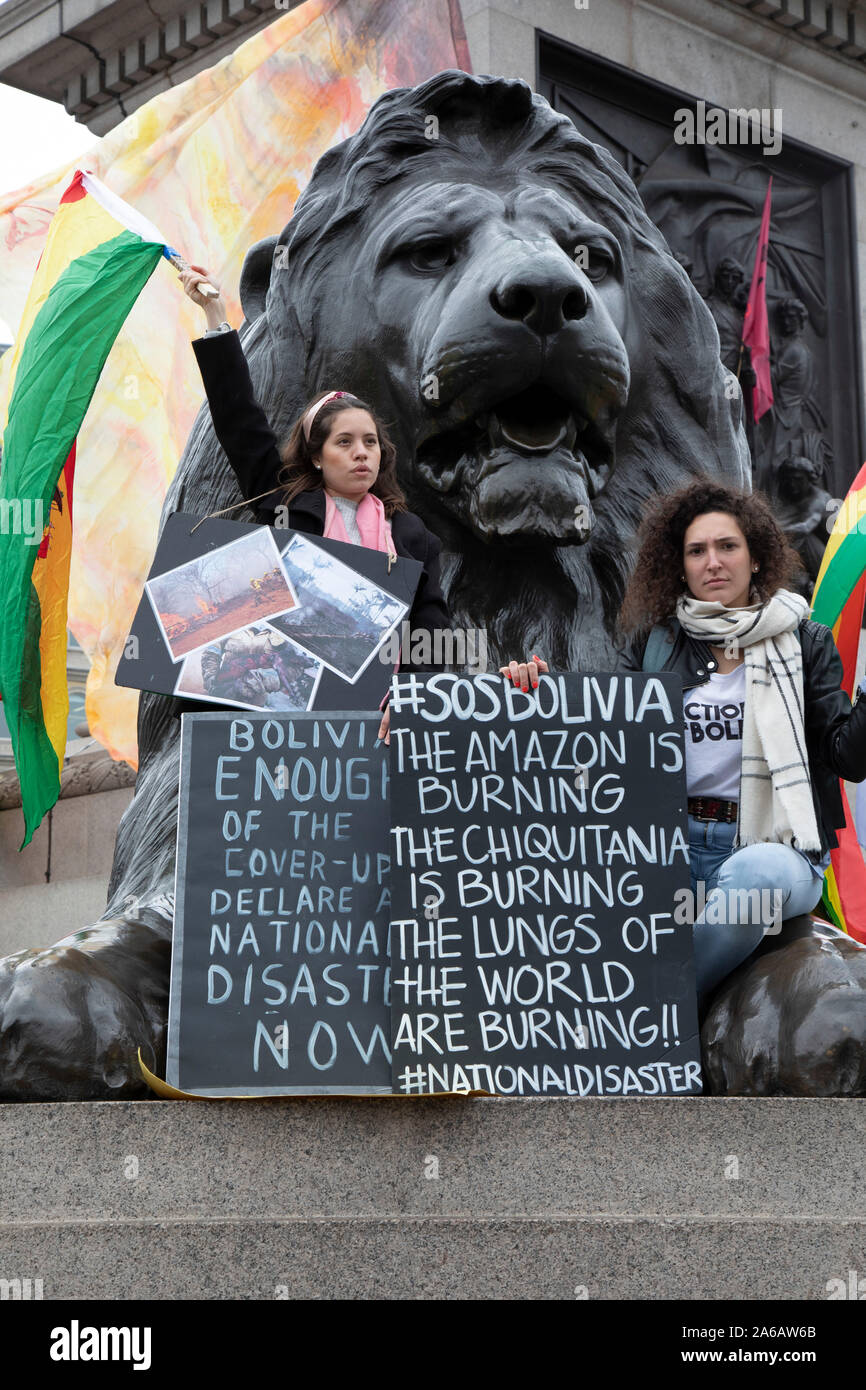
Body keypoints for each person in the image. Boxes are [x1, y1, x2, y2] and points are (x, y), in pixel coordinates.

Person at [503, 479, 866, 1006]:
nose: (712, 562)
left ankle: (652, 1018)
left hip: (775, 853)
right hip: (668, 846)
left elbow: (847, 759)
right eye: (697, 551)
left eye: (727, 547)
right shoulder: (654, 642)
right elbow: (604, 738)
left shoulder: (807, 642)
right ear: (679, 566)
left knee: (752, 879)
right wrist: (538, 691)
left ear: (757, 558)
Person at [181, 264, 451, 741]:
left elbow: (432, 641)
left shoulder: (412, 537)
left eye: (369, 442)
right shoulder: (288, 507)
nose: (361, 452)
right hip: (283, 724)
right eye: (344, 442)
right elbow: (239, 421)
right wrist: (214, 316)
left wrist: (414, 704)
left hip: (382, 728)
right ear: (316, 456)